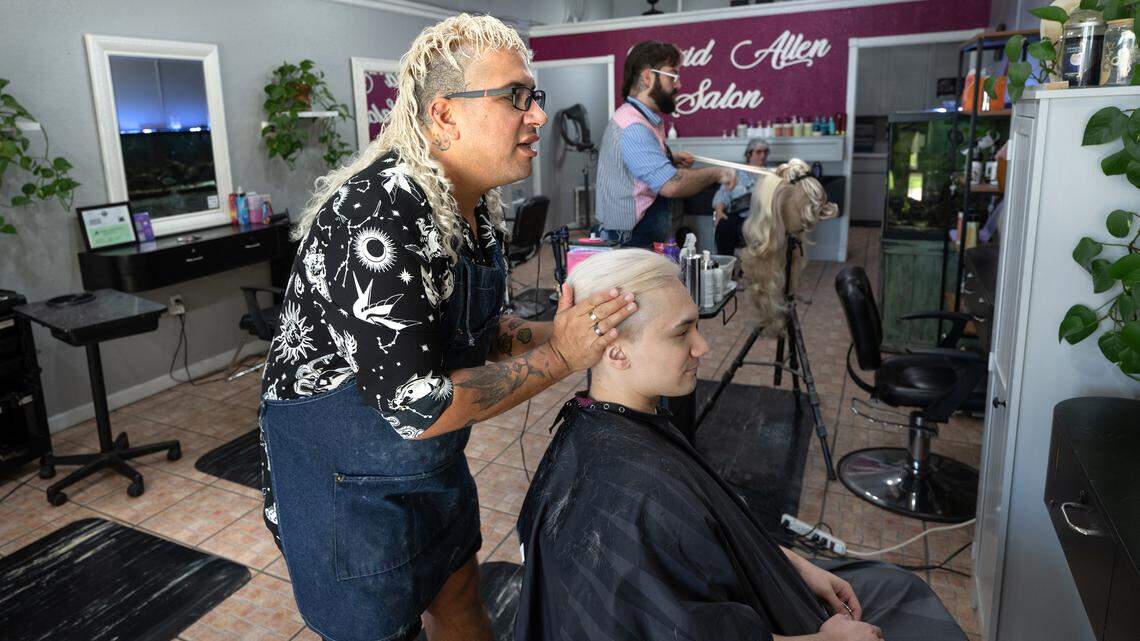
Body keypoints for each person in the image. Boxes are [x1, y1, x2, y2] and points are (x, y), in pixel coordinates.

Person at [257, 15, 640, 641]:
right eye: (516, 97)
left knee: (459, 596)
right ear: (444, 115)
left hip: (426, 462)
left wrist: (579, 329)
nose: (538, 116)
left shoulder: (471, 207)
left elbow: (478, 332)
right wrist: (563, 358)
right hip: (344, 478)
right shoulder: (377, 217)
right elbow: (421, 405)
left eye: (534, 97)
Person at [514, 248, 968, 641]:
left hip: (764, 583)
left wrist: (789, 562)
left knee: (894, 585)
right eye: (682, 332)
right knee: (910, 602)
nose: (703, 346)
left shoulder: (614, 421)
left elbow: (711, 531)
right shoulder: (625, 495)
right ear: (615, 351)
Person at [594, 40, 735, 248]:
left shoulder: (640, 119)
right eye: (673, 75)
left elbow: (638, 170)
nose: (678, 85)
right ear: (648, 77)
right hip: (630, 240)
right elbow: (671, 185)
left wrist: (670, 158)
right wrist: (718, 173)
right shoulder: (634, 127)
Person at [714, 137, 769, 257]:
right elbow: (721, 194)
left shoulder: (769, 175)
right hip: (738, 217)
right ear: (749, 154)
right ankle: (726, 264)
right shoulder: (736, 172)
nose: (763, 155)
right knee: (723, 224)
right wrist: (719, 210)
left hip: (760, 218)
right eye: (759, 152)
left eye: (765, 152)